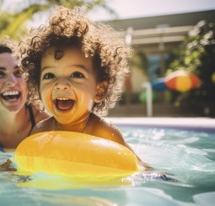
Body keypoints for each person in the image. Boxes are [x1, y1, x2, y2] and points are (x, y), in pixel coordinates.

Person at [20, 6, 148, 167]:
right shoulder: (41, 132)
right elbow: (22, 162)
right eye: (49, 76)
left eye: (76, 75)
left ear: (99, 90)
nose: (61, 84)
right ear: (38, 87)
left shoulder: (104, 133)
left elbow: (138, 166)